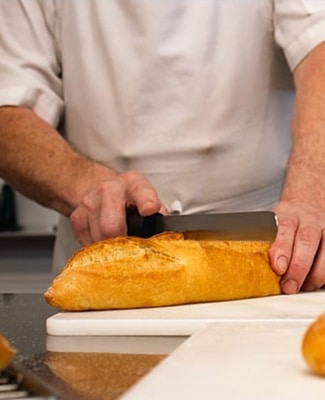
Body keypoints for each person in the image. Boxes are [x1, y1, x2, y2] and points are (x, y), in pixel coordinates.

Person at [0, 0, 324, 295]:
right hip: (107, 259)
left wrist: (307, 197)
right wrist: (84, 184)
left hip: (270, 257)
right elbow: (8, 104)